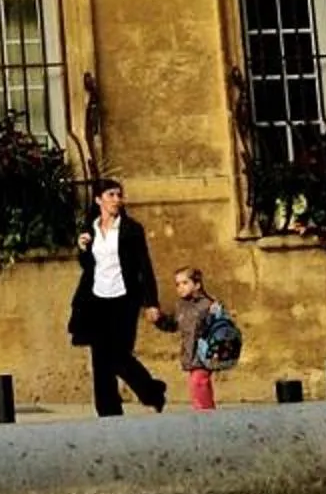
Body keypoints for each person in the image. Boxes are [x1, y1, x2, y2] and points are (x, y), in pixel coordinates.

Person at [66, 178, 166, 415]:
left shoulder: (131, 229)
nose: (116, 200)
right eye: (111, 195)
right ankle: (108, 412)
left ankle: (150, 390)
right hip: (95, 299)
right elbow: (88, 266)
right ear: (98, 199)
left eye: (119, 195)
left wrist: (151, 302)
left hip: (124, 298)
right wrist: (82, 249)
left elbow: (144, 266)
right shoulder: (90, 229)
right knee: (100, 358)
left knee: (119, 354)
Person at [170, 265, 232, 410]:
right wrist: (159, 319)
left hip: (205, 354)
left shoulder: (207, 305)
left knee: (198, 383)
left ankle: (205, 416)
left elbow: (220, 328)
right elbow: (173, 325)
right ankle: (206, 412)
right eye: (177, 284)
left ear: (197, 285)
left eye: (185, 283)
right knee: (199, 385)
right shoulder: (181, 306)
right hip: (191, 354)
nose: (180, 287)